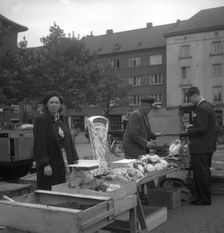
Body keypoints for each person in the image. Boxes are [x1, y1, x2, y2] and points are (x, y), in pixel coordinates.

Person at [33, 91, 79, 190]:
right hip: (51, 161)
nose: (54, 105)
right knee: (51, 188)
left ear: (60, 104)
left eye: (56, 102)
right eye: (51, 102)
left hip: (65, 161)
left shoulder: (63, 119)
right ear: (46, 104)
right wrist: (45, 164)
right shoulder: (41, 121)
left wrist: (75, 159)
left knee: (64, 187)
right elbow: (39, 143)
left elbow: (69, 140)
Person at [181, 86, 216, 205]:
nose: (190, 101)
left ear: (194, 95)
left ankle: (203, 199)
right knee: (205, 173)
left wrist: (188, 131)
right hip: (207, 146)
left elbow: (202, 128)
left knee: (201, 174)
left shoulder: (201, 108)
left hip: (201, 147)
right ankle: (204, 197)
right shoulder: (208, 106)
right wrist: (193, 127)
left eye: (190, 99)